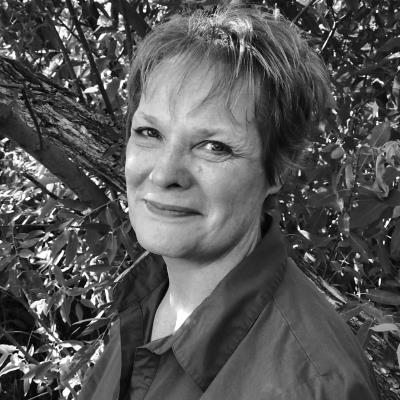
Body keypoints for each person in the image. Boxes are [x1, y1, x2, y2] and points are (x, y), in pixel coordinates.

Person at [78, 6, 380, 400]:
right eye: (149, 132)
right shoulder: (147, 303)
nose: (165, 173)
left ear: (276, 170)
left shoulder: (311, 387)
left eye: (214, 146)